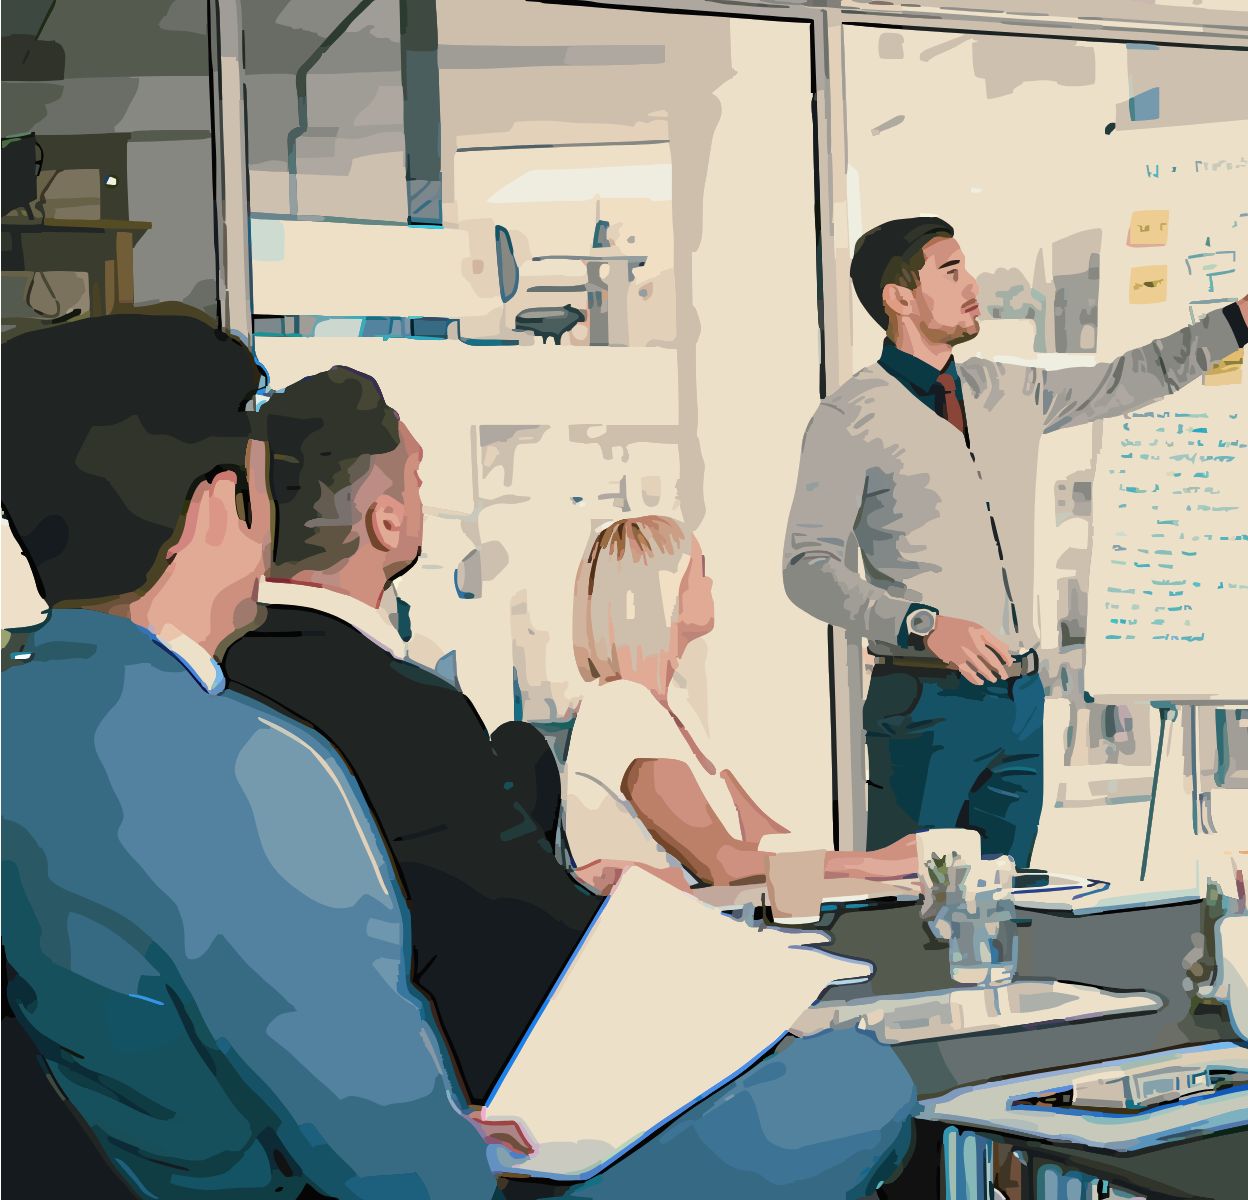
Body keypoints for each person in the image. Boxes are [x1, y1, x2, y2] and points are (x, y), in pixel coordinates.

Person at [1, 316, 916, 1200]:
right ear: (217, 509)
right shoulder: (250, 770)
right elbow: (406, 1176)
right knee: (855, 1081)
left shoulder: (31, 722)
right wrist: (438, 1144)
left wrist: (434, 1124)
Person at [783, 216, 1248, 865]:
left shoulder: (1009, 390)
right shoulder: (848, 418)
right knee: (905, 904)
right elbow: (807, 565)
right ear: (899, 298)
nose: (971, 283)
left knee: (1011, 904)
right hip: (922, 706)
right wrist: (921, 623)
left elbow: (1131, 376)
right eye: (950, 271)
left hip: (1019, 703)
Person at [224, 367, 651, 1103]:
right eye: (417, 483)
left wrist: (554, 887)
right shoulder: (409, 709)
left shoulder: (220, 676)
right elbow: (527, 941)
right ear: (385, 522)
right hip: (447, 1094)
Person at [565, 515, 920, 886]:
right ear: (663, 589)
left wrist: (874, 865)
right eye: (699, 570)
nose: (710, 582)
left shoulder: (673, 708)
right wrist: (877, 864)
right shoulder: (624, 710)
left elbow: (764, 837)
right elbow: (722, 865)